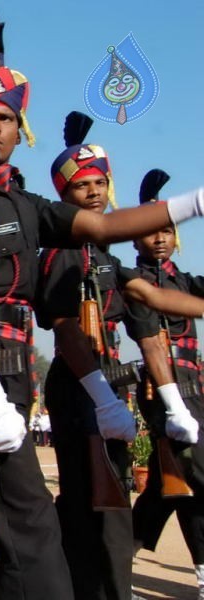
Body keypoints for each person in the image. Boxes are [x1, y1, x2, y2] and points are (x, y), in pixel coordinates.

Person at [0, 9, 204, 600]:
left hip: (13, 368)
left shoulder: (28, 205)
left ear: (19, 130)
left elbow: (103, 226)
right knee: (31, 524)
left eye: (5, 118)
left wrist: (190, 203)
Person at [36, 116, 204, 600]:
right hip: (79, 389)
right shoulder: (63, 255)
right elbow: (66, 330)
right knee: (97, 503)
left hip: (110, 389)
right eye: (81, 186)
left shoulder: (108, 258)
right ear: (66, 197)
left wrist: (171, 402)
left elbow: (150, 316)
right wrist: (100, 397)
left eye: (99, 183)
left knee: (107, 498)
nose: (92, 192)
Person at [123, 169, 204, 600]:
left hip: (197, 394)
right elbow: (148, 343)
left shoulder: (186, 282)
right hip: (167, 396)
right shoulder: (134, 283)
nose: (159, 239)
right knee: (197, 481)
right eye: (150, 231)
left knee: (170, 492)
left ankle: (116, 567)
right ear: (136, 238)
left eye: (167, 231)